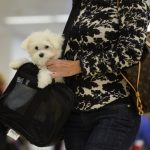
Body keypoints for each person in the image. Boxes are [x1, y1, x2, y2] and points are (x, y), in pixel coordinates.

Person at [47, 0, 150, 150]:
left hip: (115, 107)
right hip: (74, 113)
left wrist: (79, 66)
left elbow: (131, 52)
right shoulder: (82, 4)